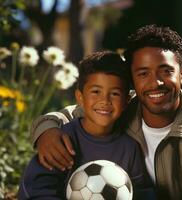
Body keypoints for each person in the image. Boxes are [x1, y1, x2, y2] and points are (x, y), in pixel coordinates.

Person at [30, 25, 182, 199]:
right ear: (132, 80)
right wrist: (46, 131)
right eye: (143, 73)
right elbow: (71, 114)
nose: (155, 82)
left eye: (166, 71)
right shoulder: (119, 109)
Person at [18, 51, 153, 199]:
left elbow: (141, 191)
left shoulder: (129, 148)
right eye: (96, 91)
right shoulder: (62, 140)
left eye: (114, 93)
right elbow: (35, 188)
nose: (105, 101)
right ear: (80, 97)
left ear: (126, 101)